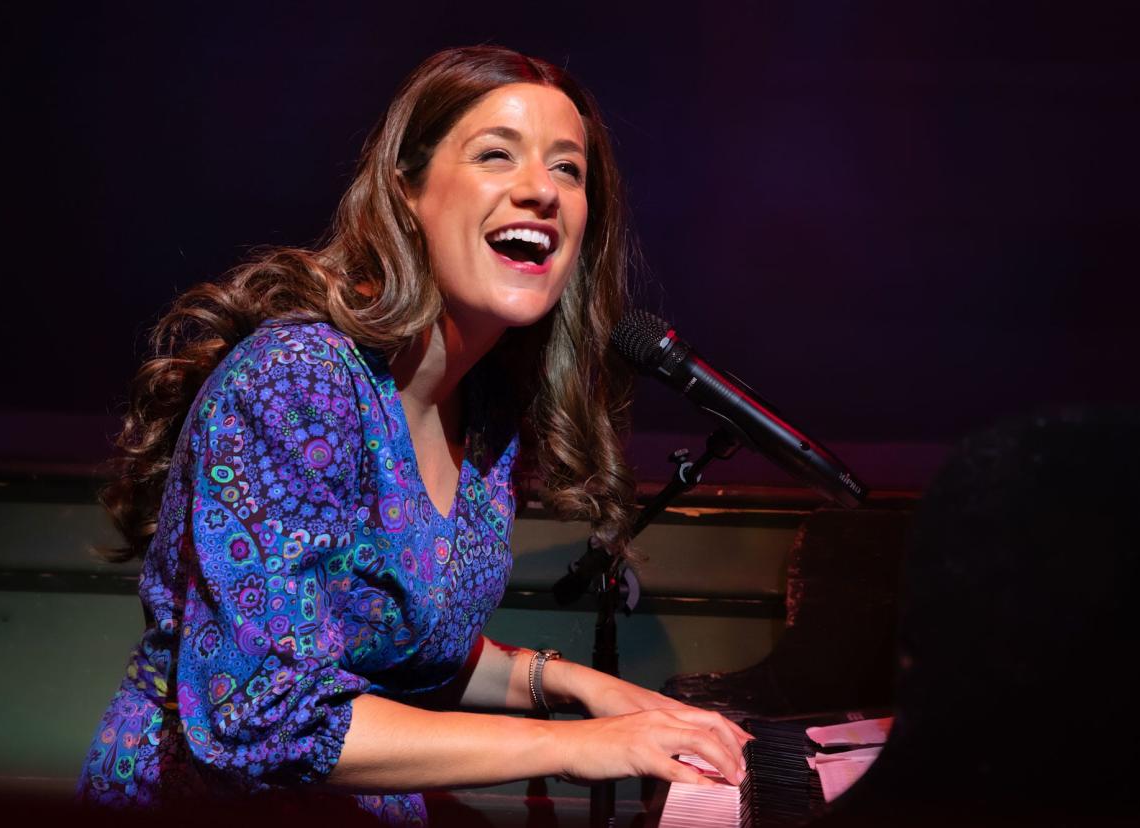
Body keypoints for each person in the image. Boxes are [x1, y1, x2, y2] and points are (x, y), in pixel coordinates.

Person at [77, 45, 749, 825]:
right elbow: (260, 715)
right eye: (497, 155)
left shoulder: (487, 412)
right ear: (409, 191)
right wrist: (578, 745)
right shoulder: (300, 381)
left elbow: (395, 648)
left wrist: (575, 685)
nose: (541, 190)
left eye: (569, 170)